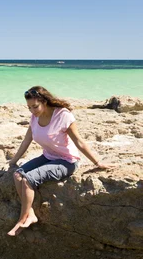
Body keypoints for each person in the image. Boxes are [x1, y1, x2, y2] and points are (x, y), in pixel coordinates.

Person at [7, 86, 110, 237]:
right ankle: (30, 214)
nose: (32, 111)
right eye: (29, 107)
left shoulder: (63, 115)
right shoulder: (35, 116)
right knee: (17, 174)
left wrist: (97, 162)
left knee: (28, 180)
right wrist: (14, 160)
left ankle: (21, 221)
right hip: (48, 156)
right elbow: (26, 140)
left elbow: (79, 142)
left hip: (67, 161)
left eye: (35, 106)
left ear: (45, 101)